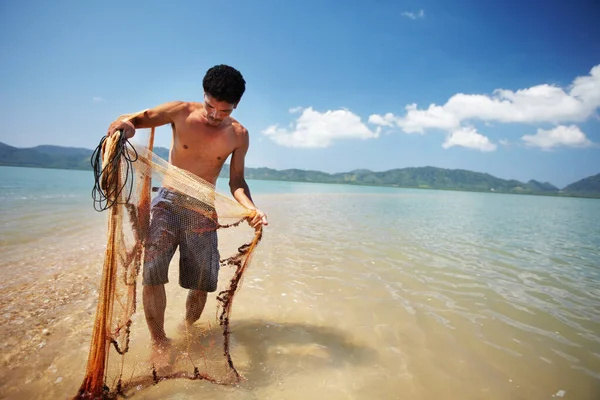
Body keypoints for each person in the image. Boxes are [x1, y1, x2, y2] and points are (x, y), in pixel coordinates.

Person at [106, 64, 268, 349]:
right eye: (210, 106)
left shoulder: (239, 135)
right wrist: (127, 126)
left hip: (203, 210)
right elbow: (137, 119)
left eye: (225, 111)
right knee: (153, 273)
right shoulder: (180, 111)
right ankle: (159, 342)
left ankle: (188, 330)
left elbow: (237, 182)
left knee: (202, 281)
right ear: (203, 95)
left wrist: (251, 209)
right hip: (167, 203)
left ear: (236, 105)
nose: (215, 115)